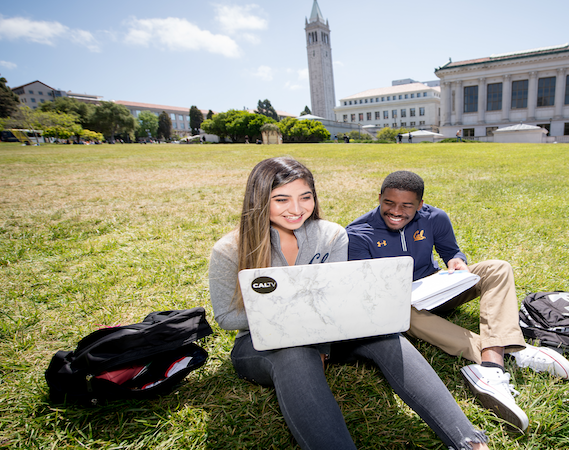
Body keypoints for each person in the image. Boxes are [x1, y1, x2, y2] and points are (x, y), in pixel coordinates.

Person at [209, 158, 490, 449]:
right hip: (262, 344)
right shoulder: (230, 248)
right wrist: (292, 316)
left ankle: (470, 442)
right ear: (258, 199)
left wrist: (322, 344)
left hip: (331, 332)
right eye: (281, 199)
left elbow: (339, 298)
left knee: (386, 336)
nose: (296, 209)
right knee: (295, 353)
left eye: (305, 197)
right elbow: (227, 317)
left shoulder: (331, 235)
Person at [346, 171, 569, 431]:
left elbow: (451, 251)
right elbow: (364, 291)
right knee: (400, 312)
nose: (395, 211)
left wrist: (457, 261)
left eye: (406, 206)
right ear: (379, 198)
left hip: (437, 290)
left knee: (497, 267)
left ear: (420, 205)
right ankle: (505, 354)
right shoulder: (357, 233)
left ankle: (493, 362)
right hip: (398, 304)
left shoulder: (435, 217)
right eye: (388, 203)